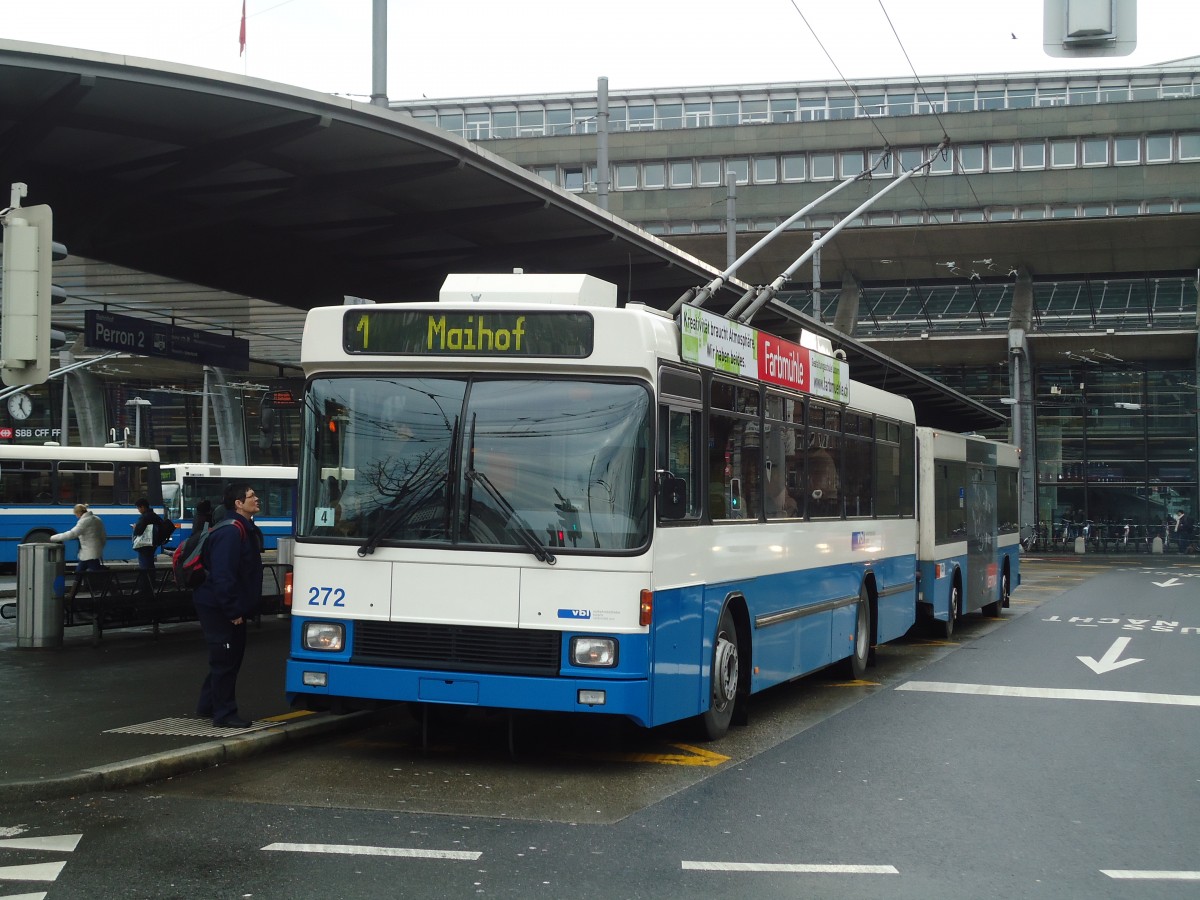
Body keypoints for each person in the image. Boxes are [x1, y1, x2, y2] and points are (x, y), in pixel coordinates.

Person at [192, 482, 264, 728]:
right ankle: (224, 714)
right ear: (238, 504)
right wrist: (233, 610)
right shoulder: (232, 532)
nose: (256, 499)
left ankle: (207, 705)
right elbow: (223, 576)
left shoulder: (240, 527)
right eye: (251, 496)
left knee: (226, 658)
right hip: (219, 607)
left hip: (222, 603)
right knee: (225, 659)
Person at [50, 503, 107, 581]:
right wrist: (100, 547)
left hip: (89, 554)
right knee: (81, 572)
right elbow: (103, 535)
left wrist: (53, 538)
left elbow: (72, 534)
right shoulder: (97, 519)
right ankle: (74, 591)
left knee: (94, 574)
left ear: (79, 513)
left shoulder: (84, 522)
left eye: (75, 514)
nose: (76, 516)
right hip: (93, 552)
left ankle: (112, 590)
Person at [132, 498, 166, 571]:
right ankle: (152, 579)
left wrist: (135, 527)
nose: (138, 510)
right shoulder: (154, 516)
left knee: (144, 565)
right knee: (150, 563)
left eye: (138, 508)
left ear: (143, 507)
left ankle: (146, 581)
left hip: (144, 545)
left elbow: (138, 531)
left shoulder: (144, 517)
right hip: (153, 543)